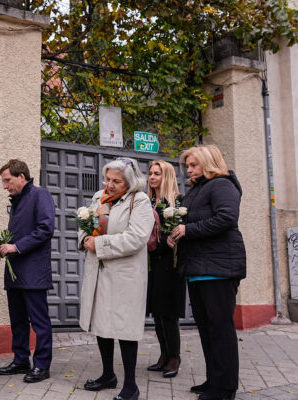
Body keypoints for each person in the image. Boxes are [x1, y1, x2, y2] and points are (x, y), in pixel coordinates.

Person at [168, 145, 246, 400]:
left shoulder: (222, 185)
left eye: (193, 165)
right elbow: (189, 223)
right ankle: (214, 380)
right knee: (206, 329)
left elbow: (226, 218)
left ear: (209, 162)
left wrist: (188, 231)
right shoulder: (197, 189)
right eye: (187, 166)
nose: (188, 170)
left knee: (220, 329)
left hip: (219, 268)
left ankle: (225, 388)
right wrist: (176, 233)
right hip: (198, 268)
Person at [79, 157, 154, 400]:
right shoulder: (99, 196)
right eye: (107, 179)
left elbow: (136, 237)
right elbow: (85, 225)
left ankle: (130, 385)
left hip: (125, 275)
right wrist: (84, 239)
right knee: (102, 324)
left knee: (124, 328)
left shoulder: (139, 200)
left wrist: (98, 243)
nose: (109, 185)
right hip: (100, 272)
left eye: (116, 181)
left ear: (129, 182)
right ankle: (108, 375)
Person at [0, 159, 56, 383]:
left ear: (22, 177)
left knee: (39, 322)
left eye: (7, 180)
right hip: (15, 272)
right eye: (3, 181)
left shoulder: (41, 195)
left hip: (34, 272)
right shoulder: (17, 201)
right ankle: (21, 360)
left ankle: (41, 366)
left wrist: (16, 247)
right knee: (18, 320)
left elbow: (46, 228)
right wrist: (5, 245)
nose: (5, 186)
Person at [146, 160, 186, 378]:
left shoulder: (178, 202)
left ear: (167, 176)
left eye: (157, 174)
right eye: (151, 173)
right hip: (152, 262)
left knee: (168, 314)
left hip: (170, 264)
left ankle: (174, 357)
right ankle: (164, 355)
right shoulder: (148, 201)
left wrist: (164, 243)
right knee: (157, 313)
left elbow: (178, 235)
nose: (152, 177)